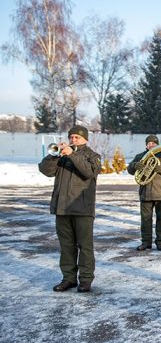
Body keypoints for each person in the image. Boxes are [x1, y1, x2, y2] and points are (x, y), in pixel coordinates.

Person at [38, 125, 101, 293]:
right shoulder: (62, 156)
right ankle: (69, 278)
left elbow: (89, 172)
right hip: (62, 208)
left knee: (85, 246)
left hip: (83, 209)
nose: (73, 140)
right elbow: (45, 170)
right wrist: (53, 156)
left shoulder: (92, 156)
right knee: (66, 246)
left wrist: (72, 154)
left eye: (77, 137)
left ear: (85, 139)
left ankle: (86, 280)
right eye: (71, 137)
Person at [127, 135, 161, 251]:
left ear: (157, 144)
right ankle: (146, 242)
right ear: (146, 144)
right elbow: (130, 170)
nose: (151, 145)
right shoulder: (140, 156)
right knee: (145, 220)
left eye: (153, 143)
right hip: (145, 193)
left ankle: (160, 242)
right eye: (149, 143)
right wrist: (134, 165)